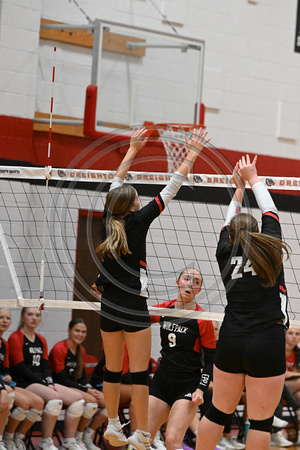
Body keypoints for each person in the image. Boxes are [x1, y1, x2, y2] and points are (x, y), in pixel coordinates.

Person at [94, 126, 210, 450]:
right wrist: (192, 153)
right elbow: (171, 187)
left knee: (112, 370)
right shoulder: (138, 220)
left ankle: (115, 424)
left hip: (109, 309)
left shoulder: (109, 219)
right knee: (140, 374)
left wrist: (132, 150)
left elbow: (115, 185)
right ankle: (144, 434)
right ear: (132, 206)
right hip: (132, 307)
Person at [196, 155, 290, 450]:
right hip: (266, 339)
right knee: (261, 421)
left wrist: (240, 187)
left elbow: (228, 222)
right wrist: (253, 178)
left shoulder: (224, 252)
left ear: (232, 235)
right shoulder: (271, 247)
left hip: (232, 338)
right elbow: (271, 209)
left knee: (217, 412)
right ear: (258, 232)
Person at [148, 268, 216, 450]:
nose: (190, 284)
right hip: (162, 382)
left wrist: (201, 389)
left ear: (199, 290)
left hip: (187, 385)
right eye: (187, 279)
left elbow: (211, 359)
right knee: (143, 438)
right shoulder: (164, 309)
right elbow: (136, 317)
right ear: (177, 282)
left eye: (196, 282)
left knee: (172, 440)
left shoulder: (202, 319)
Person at [8, 307, 88, 450]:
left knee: (78, 399)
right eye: (30, 314)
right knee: (55, 400)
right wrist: (44, 383)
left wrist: (49, 382)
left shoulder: (41, 339)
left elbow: (45, 366)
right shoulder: (16, 337)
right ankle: (45, 441)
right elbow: (20, 368)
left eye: (37, 315)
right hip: (25, 382)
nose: (34, 318)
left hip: (41, 382)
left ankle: (69, 441)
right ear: (22, 317)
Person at [49, 318, 108, 450]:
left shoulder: (81, 350)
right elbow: (62, 379)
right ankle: (74, 439)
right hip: (58, 386)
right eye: (77, 331)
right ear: (69, 331)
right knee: (91, 401)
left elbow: (81, 378)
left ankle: (85, 436)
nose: (80, 334)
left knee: (107, 404)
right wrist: (87, 391)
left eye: (83, 332)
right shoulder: (59, 348)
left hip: (73, 386)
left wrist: (90, 388)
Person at [0, 307, 45, 450]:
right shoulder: (15, 338)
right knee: (9, 395)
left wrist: (6, 376)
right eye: (1, 317)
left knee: (37, 402)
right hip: (6, 386)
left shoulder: (4, 343)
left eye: (7, 318)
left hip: (4, 383)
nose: (4, 321)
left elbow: (5, 368)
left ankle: (12, 437)